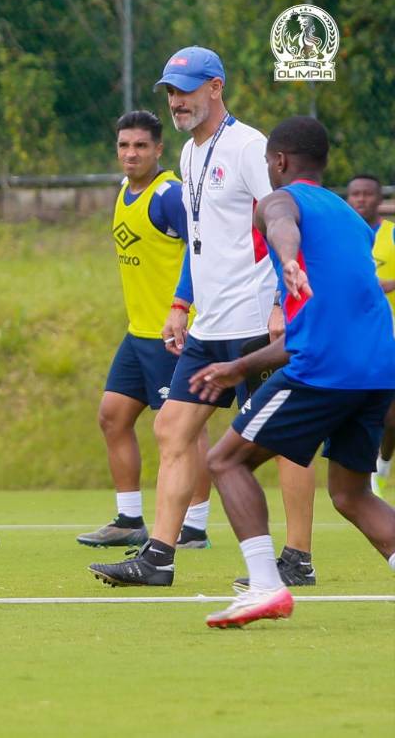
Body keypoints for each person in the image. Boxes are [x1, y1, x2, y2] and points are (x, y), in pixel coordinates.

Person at [90, 46, 316, 587]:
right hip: (208, 326)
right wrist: (180, 304)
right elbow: (198, 241)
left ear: (216, 87)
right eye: (170, 91)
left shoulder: (248, 147)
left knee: (281, 439)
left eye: (187, 89)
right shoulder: (190, 155)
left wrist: (284, 307)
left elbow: (284, 219)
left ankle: (298, 557)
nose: (177, 101)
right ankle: (159, 557)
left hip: (255, 327)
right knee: (172, 427)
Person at [189, 116, 395, 628]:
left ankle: (265, 586)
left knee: (225, 461)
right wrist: (240, 365)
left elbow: (280, 220)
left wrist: (285, 257)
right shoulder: (349, 218)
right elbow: (313, 331)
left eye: (267, 163)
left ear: (278, 162)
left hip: (325, 372)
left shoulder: (280, 201)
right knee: (350, 494)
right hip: (376, 370)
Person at [76, 110, 216, 549]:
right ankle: (129, 518)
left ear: (159, 149)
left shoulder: (168, 195)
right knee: (112, 416)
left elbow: (201, 249)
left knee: (185, 430)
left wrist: (183, 308)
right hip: (138, 332)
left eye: (140, 146)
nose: (130, 153)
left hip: (172, 334)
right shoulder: (124, 191)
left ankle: (193, 525)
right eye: (123, 145)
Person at [346, 174, 394, 499]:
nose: (360, 199)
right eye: (355, 194)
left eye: (367, 194)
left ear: (379, 199)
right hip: (354, 337)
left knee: (392, 415)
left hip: (391, 335)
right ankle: (361, 472)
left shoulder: (392, 234)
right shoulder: (343, 235)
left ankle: (383, 466)